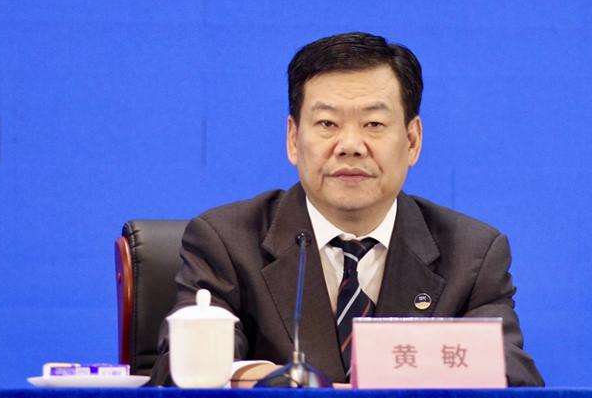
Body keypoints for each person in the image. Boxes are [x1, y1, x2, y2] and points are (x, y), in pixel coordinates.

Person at [150, 32, 544, 387]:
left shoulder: (472, 255)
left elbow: (513, 377)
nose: (350, 145)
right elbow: (176, 372)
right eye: (327, 123)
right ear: (293, 139)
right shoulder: (225, 242)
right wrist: (265, 381)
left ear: (412, 141)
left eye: (374, 124)